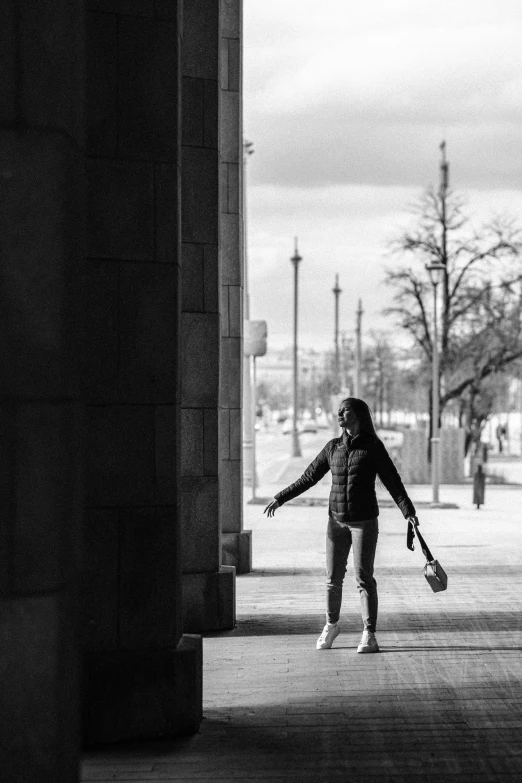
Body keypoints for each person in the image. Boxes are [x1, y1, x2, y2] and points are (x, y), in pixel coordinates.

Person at [264, 397, 419, 653]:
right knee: (332, 579)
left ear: (357, 415)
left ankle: (369, 634)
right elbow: (309, 477)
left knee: (364, 578)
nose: (339, 414)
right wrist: (281, 497)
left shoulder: (372, 447)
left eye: (344, 410)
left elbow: (392, 480)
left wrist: (408, 511)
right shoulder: (333, 447)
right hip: (335, 522)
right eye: (338, 411)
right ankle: (331, 625)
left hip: (364, 523)